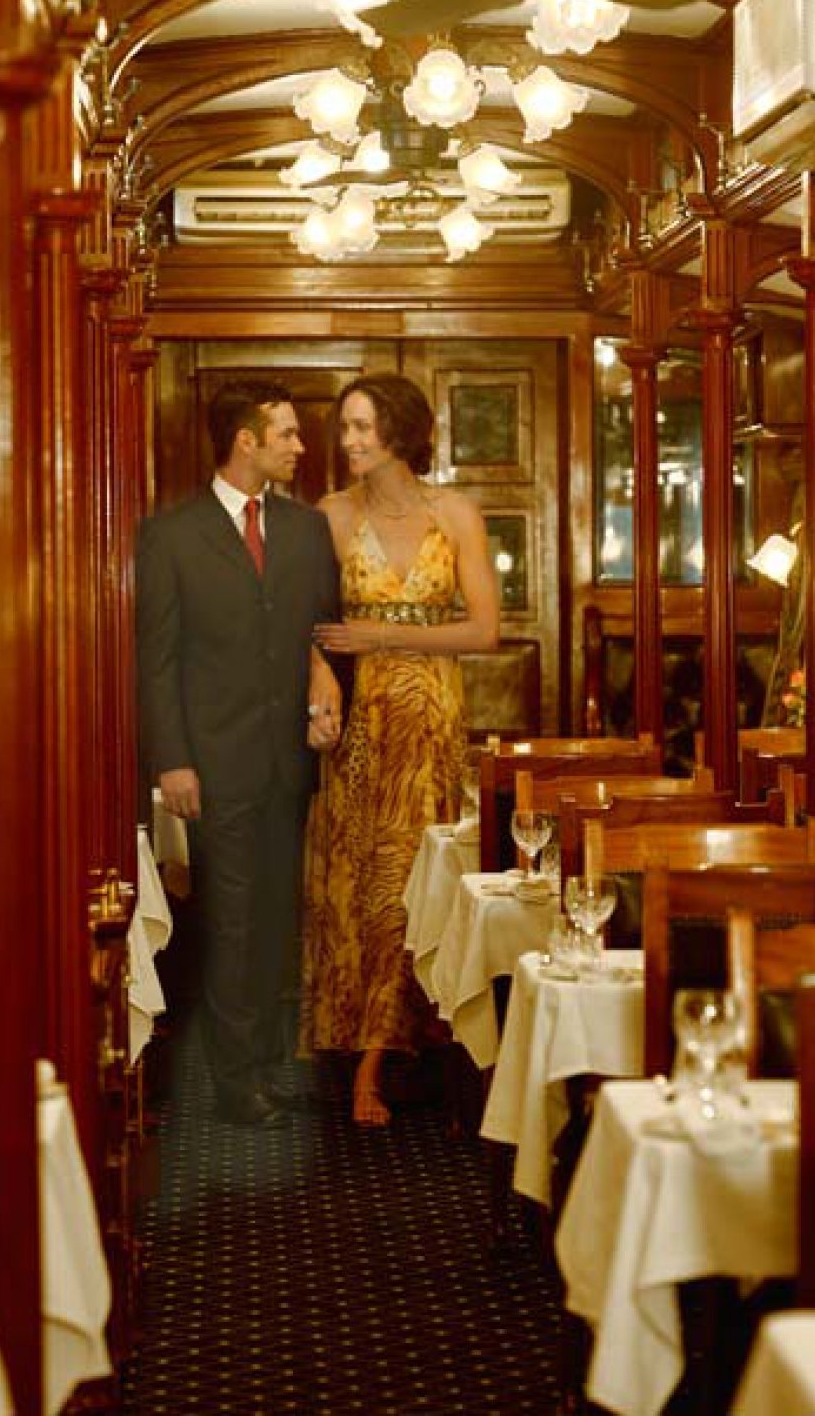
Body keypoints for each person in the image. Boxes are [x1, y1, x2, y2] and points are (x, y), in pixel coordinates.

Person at [136, 380, 343, 1127]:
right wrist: (172, 760)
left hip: (289, 759)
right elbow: (156, 660)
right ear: (245, 441)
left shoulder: (308, 531)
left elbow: (325, 634)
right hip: (212, 762)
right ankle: (233, 1081)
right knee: (229, 920)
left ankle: (258, 1065)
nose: (300, 446)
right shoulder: (170, 536)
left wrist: (326, 690)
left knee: (274, 920)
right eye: (286, 433)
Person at [303, 374, 501, 1126]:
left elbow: (484, 630)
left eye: (363, 427)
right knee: (359, 882)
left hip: (430, 721)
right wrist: (322, 679)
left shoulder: (455, 514)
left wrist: (382, 634)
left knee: (414, 879)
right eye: (346, 426)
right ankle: (361, 1054)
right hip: (362, 722)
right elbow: (304, 620)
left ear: (401, 431)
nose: (349, 440)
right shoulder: (330, 514)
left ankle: (411, 1046)